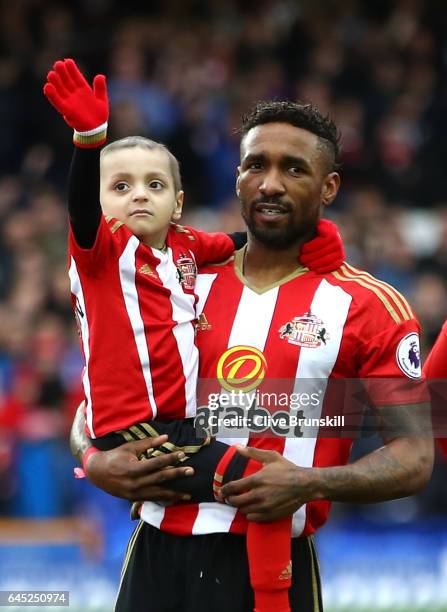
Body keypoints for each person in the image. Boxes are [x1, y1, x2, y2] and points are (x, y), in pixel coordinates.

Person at [72, 100, 433, 612]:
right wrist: (92, 459)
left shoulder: (371, 307)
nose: (270, 184)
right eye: (255, 165)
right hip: (156, 555)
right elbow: (94, 402)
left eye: (294, 168)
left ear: (329, 187)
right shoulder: (175, 276)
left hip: (272, 563)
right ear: (237, 176)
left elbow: (414, 458)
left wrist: (310, 482)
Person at [44, 60, 344, 612]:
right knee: (259, 480)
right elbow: (83, 210)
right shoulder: (101, 254)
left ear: (178, 204)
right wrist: (89, 144)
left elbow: (240, 240)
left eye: (154, 185)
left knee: (265, 485)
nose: (138, 196)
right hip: (148, 465)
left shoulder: (188, 251)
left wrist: (315, 240)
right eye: (121, 186)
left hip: (219, 481)